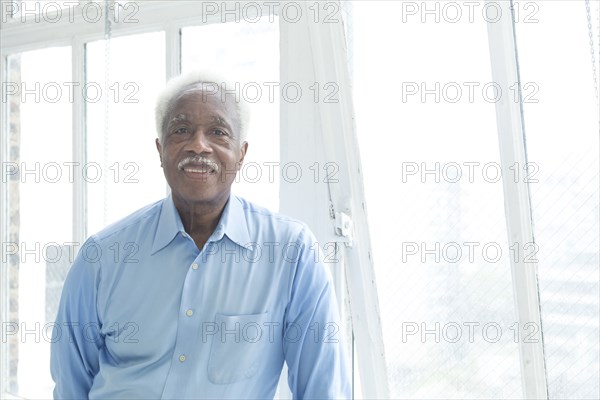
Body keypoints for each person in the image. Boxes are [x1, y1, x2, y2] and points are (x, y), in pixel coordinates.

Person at [50, 71, 351, 399]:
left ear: (241, 153)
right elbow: (71, 385)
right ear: (160, 149)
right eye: (181, 130)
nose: (198, 145)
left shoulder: (292, 253)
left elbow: (323, 390)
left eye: (218, 132)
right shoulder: (102, 256)